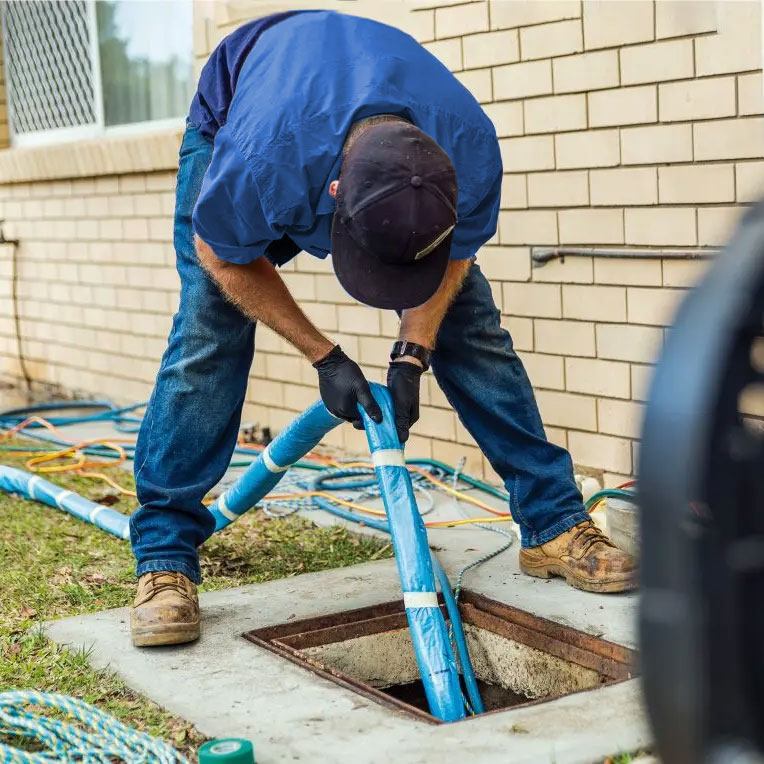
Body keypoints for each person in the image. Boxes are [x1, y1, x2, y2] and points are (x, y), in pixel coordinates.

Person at [130, 10, 635, 648]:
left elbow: (456, 258)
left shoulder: (469, 151)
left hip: (351, 115)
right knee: (210, 332)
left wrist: (412, 356)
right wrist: (324, 358)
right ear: (335, 192)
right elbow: (221, 255)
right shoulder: (260, 158)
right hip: (244, 105)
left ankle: (554, 522)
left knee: (471, 325)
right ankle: (165, 557)